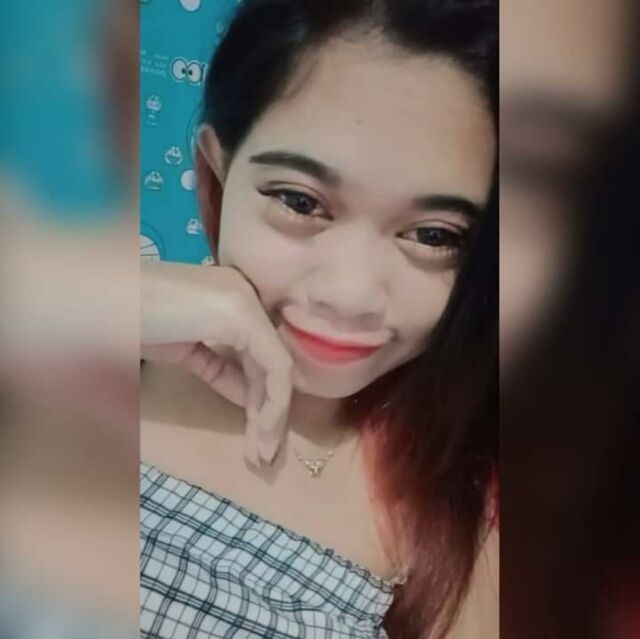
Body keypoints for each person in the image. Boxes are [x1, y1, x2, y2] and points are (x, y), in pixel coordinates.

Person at [140, 1, 497, 637]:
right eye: (300, 202)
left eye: (434, 235)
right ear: (214, 177)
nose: (350, 295)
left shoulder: (459, 510)